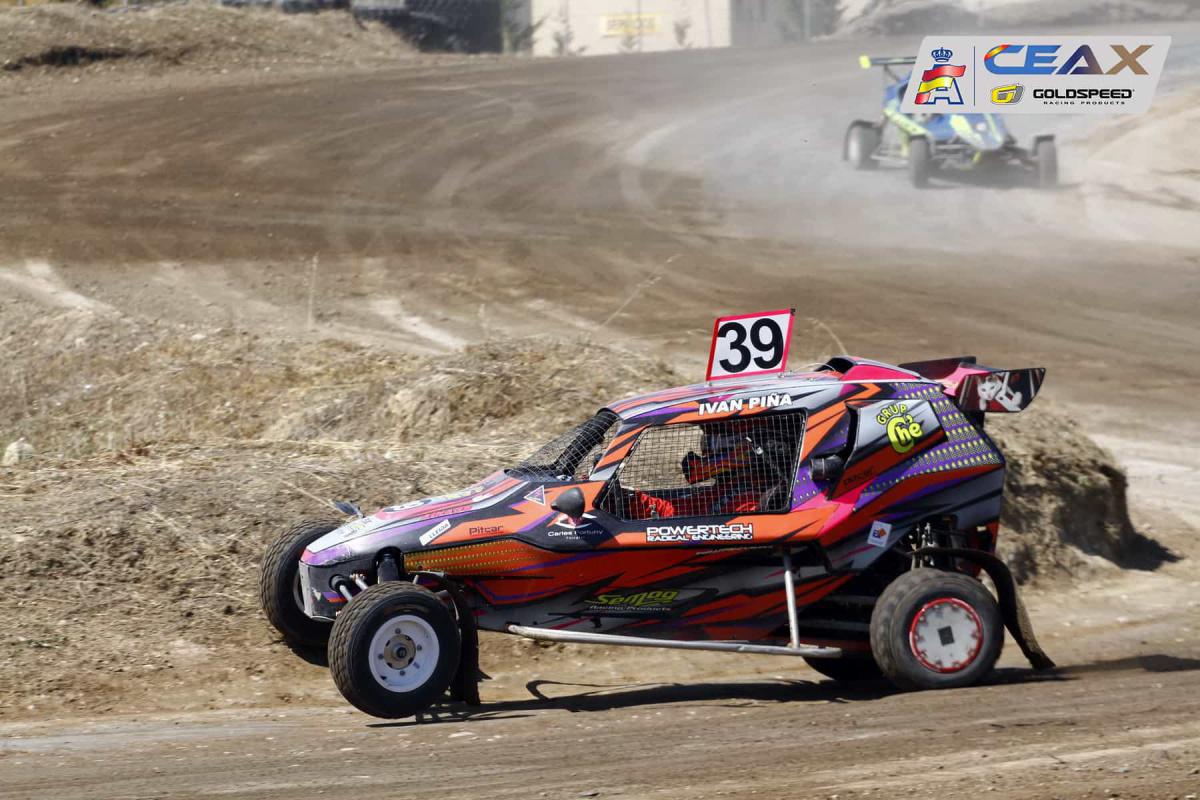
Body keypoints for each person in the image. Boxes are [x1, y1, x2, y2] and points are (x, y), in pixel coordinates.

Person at [631, 427, 780, 519]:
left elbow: (756, 522)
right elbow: (674, 510)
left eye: (711, 444)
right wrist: (631, 500)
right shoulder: (724, 489)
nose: (706, 452)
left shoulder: (770, 495)